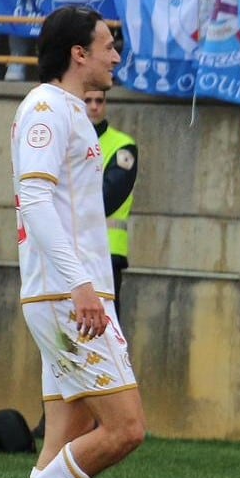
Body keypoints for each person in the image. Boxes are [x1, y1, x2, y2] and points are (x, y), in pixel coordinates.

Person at [0, 5, 146, 478]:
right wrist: (80, 287)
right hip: (67, 298)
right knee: (125, 429)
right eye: (108, 45)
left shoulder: (71, 111)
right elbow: (35, 198)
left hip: (69, 294)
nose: (115, 56)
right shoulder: (46, 108)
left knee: (63, 440)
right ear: (78, 53)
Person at [83, 90, 138, 318]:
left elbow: (110, 196)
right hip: (70, 252)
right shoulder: (66, 142)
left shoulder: (122, 145)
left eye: (99, 100)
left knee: (105, 327)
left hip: (106, 252)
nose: (94, 106)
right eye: (87, 100)